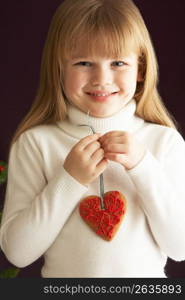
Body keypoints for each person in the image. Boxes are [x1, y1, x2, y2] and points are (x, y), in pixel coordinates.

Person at [0, 0, 185, 278]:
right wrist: (68, 180)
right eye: (83, 63)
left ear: (141, 69)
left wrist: (144, 167)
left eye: (118, 63)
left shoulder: (164, 142)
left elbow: (180, 247)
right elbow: (18, 252)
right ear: (58, 69)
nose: (102, 78)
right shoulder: (36, 144)